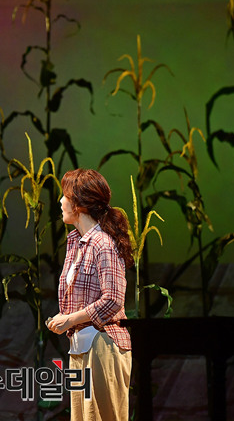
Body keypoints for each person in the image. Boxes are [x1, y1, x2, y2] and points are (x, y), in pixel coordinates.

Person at [47, 168, 133, 421]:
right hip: (80, 346)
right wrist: (65, 318)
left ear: (80, 205)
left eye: (65, 196)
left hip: (102, 345)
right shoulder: (76, 242)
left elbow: (113, 299)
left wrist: (71, 319)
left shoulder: (102, 243)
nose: (60, 201)